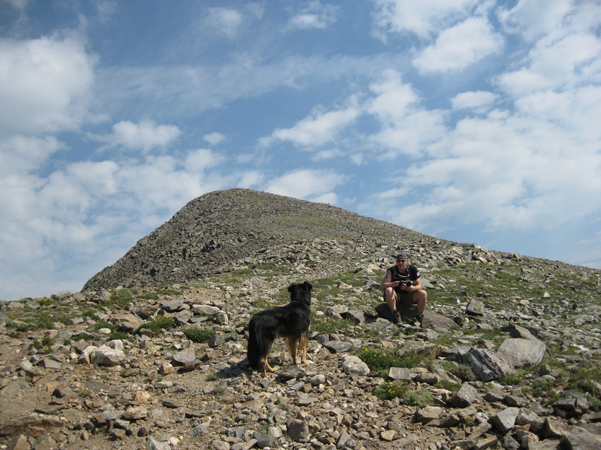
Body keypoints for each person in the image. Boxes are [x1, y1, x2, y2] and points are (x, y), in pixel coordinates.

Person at [381, 252, 427, 325]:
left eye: (403, 261)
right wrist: (396, 283)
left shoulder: (412, 270)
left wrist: (411, 288)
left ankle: (419, 316)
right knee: (389, 290)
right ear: (396, 262)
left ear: (407, 261)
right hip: (396, 296)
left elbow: (419, 286)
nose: (401, 263)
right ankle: (396, 314)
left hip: (408, 295)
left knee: (423, 293)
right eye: (399, 261)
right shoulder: (391, 271)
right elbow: (383, 286)